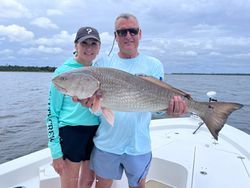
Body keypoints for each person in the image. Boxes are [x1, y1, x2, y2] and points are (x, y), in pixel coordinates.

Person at [76, 13, 187, 188]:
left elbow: (157, 107)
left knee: (138, 185)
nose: (128, 36)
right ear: (115, 36)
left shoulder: (154, 64)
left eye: (133, 31)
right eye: (122, 32)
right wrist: (89, 104)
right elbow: (96, 109)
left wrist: (170, 109)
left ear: (140, 34)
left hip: (139, 145)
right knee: (102, 184)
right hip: (107, 143)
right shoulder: (101, 64)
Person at [46, 26, 101, 188]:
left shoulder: (99, 71)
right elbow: (51, 114)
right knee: (70, 184)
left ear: (99, 48)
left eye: (93, 44)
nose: (89, 48)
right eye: (84, 43)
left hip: (95, 132)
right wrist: (56, 153)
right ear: (76, 45)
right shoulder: (62, 73)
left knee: (88, 181)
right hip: (71, 132)